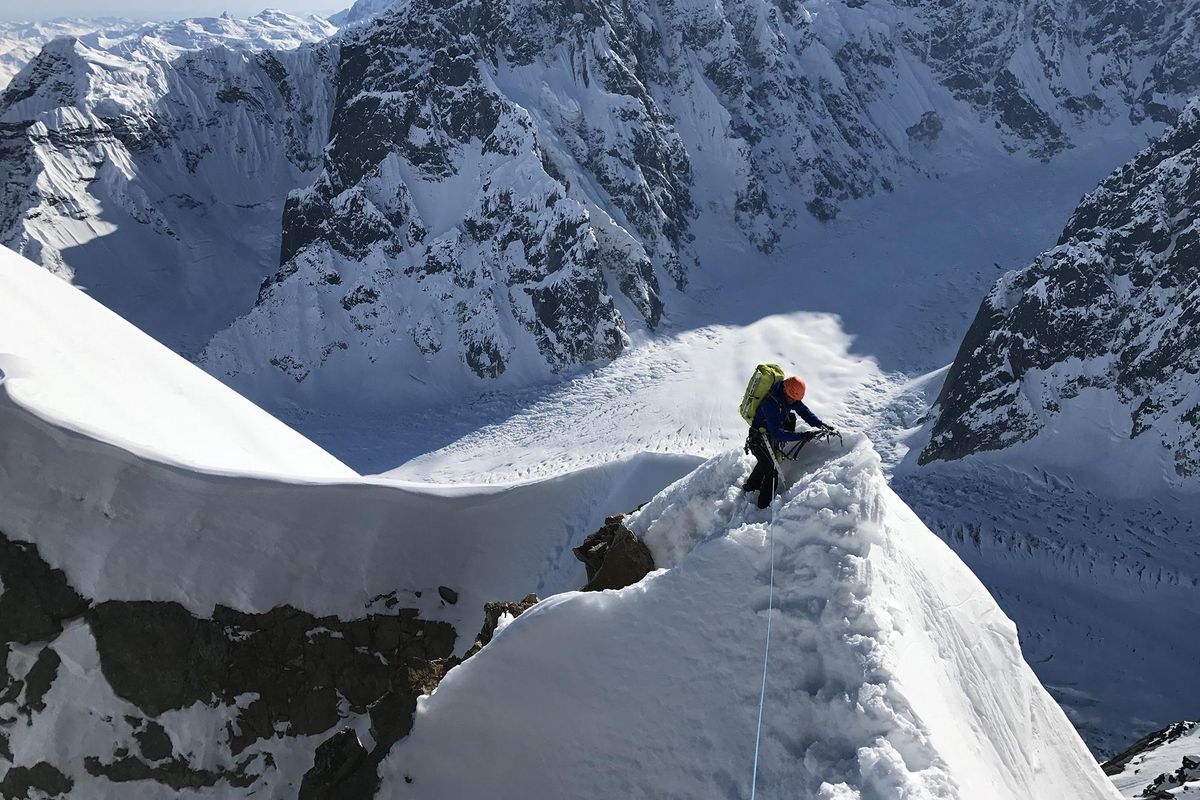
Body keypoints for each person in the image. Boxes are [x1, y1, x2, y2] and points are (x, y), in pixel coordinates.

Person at [743, 376, 833, 509]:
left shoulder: (789, 397)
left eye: (796, 400)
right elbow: (777, 433)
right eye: (792, 399)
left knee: (766, 463)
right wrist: (802, 436)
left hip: (767, 436)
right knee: (772, 472)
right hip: (759, 439)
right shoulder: (770, 403)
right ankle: (763, 506)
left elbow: (804, 411)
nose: (793, 402)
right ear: (785, 391)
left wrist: (819, 424)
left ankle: (750, 486)